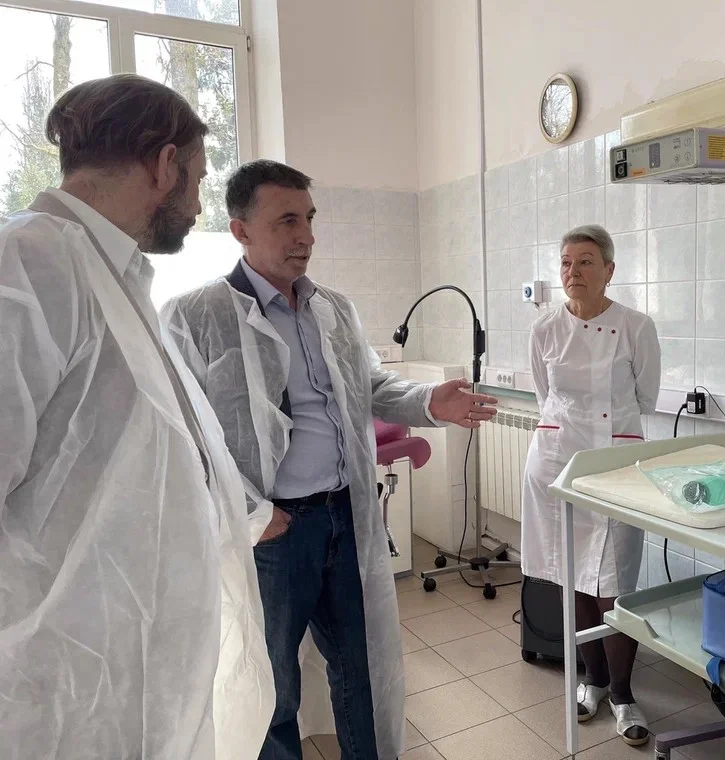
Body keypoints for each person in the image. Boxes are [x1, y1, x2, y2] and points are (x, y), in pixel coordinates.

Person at [161, 159, 498, 760]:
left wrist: (430, 401)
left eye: (309, 218)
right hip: (274, 532)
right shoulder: (196, 316)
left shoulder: (333, 309)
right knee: (272, 684)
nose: (306, 236)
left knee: (358, 667)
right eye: (287, 220)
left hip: (346, 514)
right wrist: (254, 514)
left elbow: (370, 385)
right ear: (240, 230)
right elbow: (182, 435)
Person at [0, 74, 273, 760]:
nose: (199, 202)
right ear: (165, 164)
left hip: (125, 664)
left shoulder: (109, 275)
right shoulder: (31, 259)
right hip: (62, 677)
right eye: (199, 179)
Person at [521, 224, 661, 746]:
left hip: (614, 466)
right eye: (565, 262)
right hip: (556, 463)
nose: (573, 271)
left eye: (585, 261)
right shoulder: (544, 329)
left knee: (614, 585)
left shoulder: (635, 326)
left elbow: (646, 396)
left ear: (609, 270)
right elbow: (545, 395)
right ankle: (593, 681)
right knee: (572, 577)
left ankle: (623, 694)